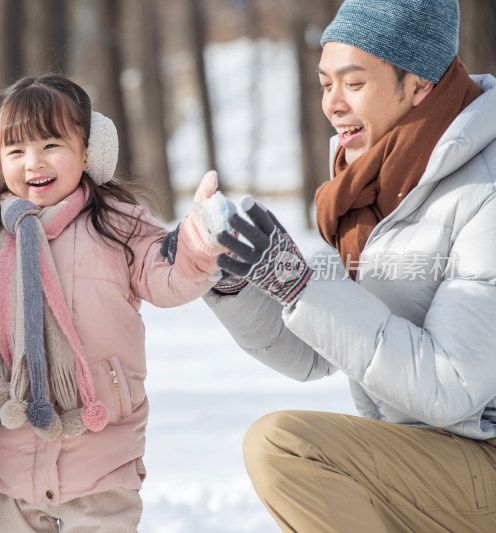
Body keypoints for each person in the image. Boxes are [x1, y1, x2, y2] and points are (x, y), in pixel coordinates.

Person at [201, 0, 496, 530]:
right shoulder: (377, 189)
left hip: (480, 454)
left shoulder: (485, 190)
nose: (332, 104)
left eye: (353, 84)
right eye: (324, 83)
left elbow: (451, 386)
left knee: (284, 447)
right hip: (424, 451)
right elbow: (314, 357)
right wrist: (234, 276)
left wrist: (299, 285)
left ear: (420, 85)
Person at [0, 74, 225, 532]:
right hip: (4, 456)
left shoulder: (117, 226)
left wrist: (198, 241)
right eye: (16, 150)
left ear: (88, 151)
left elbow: (167, 276)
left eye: (51, 145)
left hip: (99, 455)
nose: (33, 163)